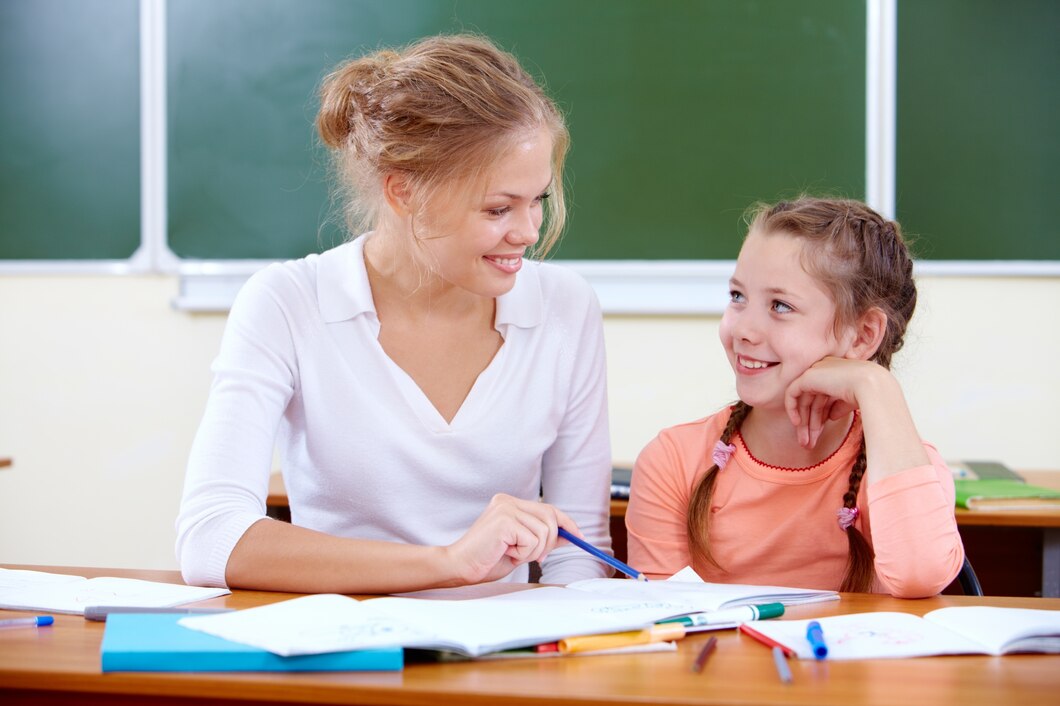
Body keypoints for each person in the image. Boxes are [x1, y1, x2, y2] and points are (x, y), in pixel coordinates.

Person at [175, 34, 613, 593]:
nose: (527, 232)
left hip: (507, 661)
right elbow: (211, 538)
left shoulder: (566, 309)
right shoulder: (287, 303)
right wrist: (450, 563)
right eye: (499, 208)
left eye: (538, 201)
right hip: (347, 654)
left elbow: (580, 551)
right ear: (403, 191)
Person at [626, 197, 964, 597]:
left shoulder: (906, 467)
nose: (745, 330)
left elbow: (920, 576)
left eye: (780, 306)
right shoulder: (674, 461)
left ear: (863, 336)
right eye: (737, 296)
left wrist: (877, 386)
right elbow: (663, 627)